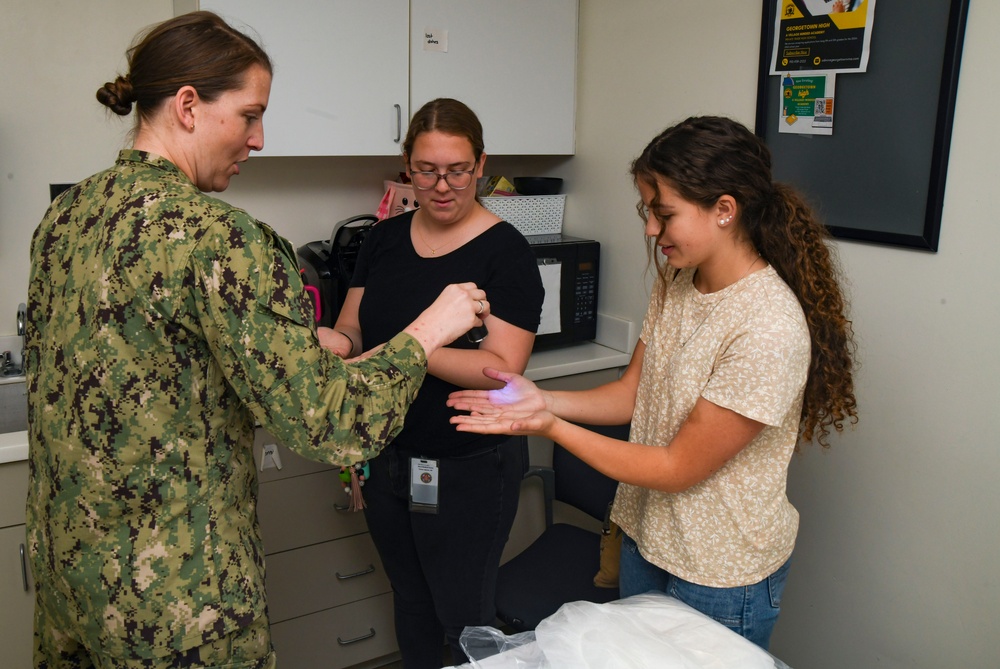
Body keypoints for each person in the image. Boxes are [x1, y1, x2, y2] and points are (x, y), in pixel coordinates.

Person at [24, 14, 489, 669]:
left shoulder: (68, 215)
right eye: (249, 114)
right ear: (189, 105)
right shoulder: (222, 238)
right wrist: (427, 330)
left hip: (71, 582)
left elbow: (149, 358)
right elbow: (330, 424)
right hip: (178, 608)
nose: (260, 138)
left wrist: (297, 347)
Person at [448, 116, 858, 650]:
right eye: (648, 211)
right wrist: (542, 397)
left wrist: (546, 424)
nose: (649, 230)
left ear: (724, 210)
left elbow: (675, 468)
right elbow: (632, 394)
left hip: (718, 573)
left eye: (664, 214)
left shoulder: (768, 328)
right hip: (646, 539)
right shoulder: (678, 279)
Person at [330, 98, 544, 667]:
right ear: (407, 165)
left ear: (480, 164)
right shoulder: (383, 240)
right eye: (426, 171)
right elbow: (354, 326)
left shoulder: (507, 253)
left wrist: (406, 349)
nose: (442, 185)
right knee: (411, 602)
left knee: (463, 619)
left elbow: (502, 367)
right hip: (387, 455)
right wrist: (337, 345)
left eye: (457, 170)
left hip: (467, 463)